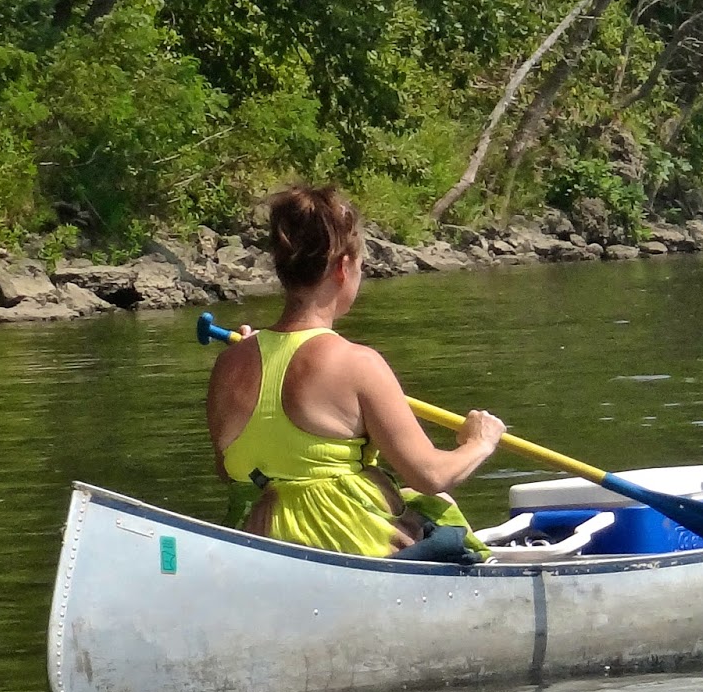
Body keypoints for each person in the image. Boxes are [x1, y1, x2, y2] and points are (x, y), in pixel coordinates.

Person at [206, 185, 507, 560]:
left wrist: (253, 354)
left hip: (257, 541)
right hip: (348, 542)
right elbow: (431, 474)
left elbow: (228, 471)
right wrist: (480, 442)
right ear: (343, 268)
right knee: (436, 503)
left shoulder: (228, 364)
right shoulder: (358, 363)